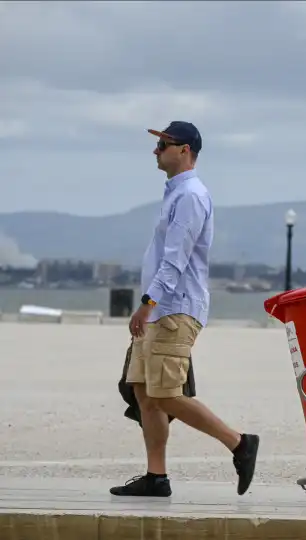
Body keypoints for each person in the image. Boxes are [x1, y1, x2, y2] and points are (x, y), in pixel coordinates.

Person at [111, 121, 260, 498]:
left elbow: (175, 261)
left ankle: (238, 442)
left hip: (173, 309)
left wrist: (147, 304)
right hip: (161, 309)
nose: (156, 150)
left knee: (164, 394)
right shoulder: (176, 194)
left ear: (185, 150)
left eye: (163, 144)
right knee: (144, 392)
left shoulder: (191, 196)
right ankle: (156, 476)